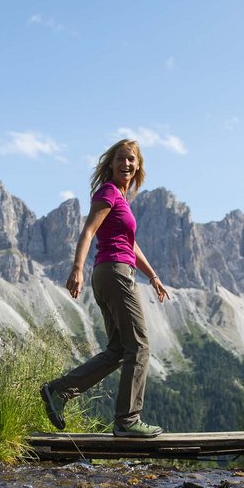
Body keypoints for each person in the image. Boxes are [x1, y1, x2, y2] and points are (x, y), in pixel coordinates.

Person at [41, 138, 169, 438]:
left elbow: (130, 244)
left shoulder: (122, 199)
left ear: (138, 167)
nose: (127, 164)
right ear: (110, 163)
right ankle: (127, 420)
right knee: (138, 346)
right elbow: (89, 230)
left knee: (117, 349)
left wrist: (152, 276)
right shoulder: (108, 192)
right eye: (122, 159)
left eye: (132, 160)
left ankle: (58, 391)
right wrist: (76, 268)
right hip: (114, 272)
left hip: (112, 271)